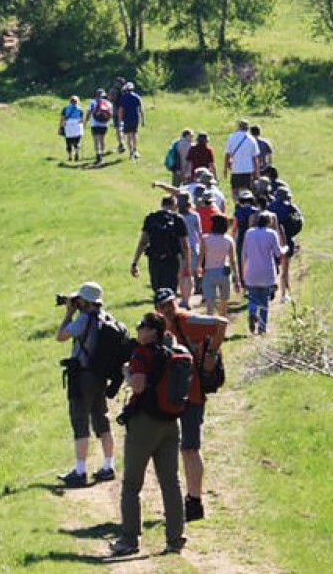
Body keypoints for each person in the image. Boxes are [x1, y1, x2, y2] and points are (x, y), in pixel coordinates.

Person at [110, 312, 188, 556]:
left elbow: (138, 385)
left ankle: (129, 540)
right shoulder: (169, 353)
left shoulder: (141, 354)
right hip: (170, 424)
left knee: (131, 485)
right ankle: (175, 538)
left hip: (145, 424)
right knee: (171, 483)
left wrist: (126, 373)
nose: (138, 330)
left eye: (141, 326)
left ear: (152, 331)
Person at [154, 289, 227, 524]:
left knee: (190, 449)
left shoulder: (187, 320)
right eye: (162, 306)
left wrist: (211, 355)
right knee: (178, 450)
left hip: (192, 395)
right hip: (172, 396)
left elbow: (221, 323)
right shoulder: (159, 328)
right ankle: (184, 500)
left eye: (170, 304)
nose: (167, 309)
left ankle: (194, 502)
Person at [55, 281, 118, 486]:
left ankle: (80, 470)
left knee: (80, 421)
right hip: (99, 375)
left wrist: (68, 313)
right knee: (102, 421)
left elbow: (60, 336)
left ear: (85, 301)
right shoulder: (105, 317)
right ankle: (108, 466)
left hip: (82, 376)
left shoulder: (83, 319)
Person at [132, 196, 190, 298]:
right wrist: (187, 265)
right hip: (172, 259)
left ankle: (159, 306)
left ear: (162, 205)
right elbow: (185, 245)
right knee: (170, 290)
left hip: (154, 259)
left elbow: (143, 242)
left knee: (157, 289)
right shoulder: (178, 219)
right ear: (174, 205)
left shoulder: (151, 218)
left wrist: (135, 263)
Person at [240, 211, 285, 335]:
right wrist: (285, 249)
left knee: (252, 297)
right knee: (264, 300)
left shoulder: (249, 233)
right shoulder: (271, 234)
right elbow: (277, 253)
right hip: (266, 271)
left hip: (251, 270)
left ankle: (252, 312)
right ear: (269, 222)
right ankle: (262, 327)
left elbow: (244, 253)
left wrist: (243, 271)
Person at [268, 185, 304, 303]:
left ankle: (270, 289)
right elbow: (300, 220)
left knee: (271, 266)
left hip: (270, 240)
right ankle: (283, 294)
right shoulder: (289, 207)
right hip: (286, 240)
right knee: (285, 269)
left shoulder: (270, 207)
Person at [200, 215, 237, 317]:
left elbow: (201, 256)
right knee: (224, 302)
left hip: (209, 271)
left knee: (210, 304)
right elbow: (233, 261)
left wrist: (199, 267)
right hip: (224, 272)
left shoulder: (205, 238)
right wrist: (236, 278)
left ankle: (209, 323)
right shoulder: (229, 240)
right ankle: (222, 321)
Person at [176, 194, 201, 308]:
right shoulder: (195, 216)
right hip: (192, 246)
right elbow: (199, 232)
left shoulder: (176, 217)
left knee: (182, 274)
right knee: (189, 274)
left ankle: (184, 298)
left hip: (180, 247)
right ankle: (187, 299)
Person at [223, 120, 259, 192]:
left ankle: (236, 199)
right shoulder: (252, 139)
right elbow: (255, 158)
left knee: (235, 190)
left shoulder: (232, 137)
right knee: (247, 191)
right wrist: (256, 172)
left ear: (239, 127)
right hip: (248, 170)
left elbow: (227, 155)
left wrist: (225, 169)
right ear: (248, 128)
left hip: (236, 169)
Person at [116, 81, 144, 159]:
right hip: (135, 118)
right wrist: (143, 120)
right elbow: (141, 109)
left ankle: (131, 152)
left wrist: (120, 120)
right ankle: (135, 150)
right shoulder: (137, 97)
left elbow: (121, 110)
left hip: (126, 119)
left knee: (129, 135)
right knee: (134, 134)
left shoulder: (123, 98)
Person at [85, 89, 113, 166]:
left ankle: (98, 155)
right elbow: (111, 114)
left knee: (96, 140)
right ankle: (102, 154)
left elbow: (88, 113)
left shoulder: (92, 102)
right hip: (104, 124)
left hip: (94, 124)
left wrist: (85, 121)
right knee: (102, 139)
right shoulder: (108, 103)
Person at [60, 96, 85, 162]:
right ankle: (76, 152)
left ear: (70, 101)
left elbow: (62, 118)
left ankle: (70, 156)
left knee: (68, 141)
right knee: (77, 141)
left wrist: (61, 127)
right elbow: (82, 120)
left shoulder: (65, 109)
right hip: (77, 125)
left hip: (68, 125)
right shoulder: (80, 109)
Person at [108, 77, 127, 154]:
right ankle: (124, 142)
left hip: (116, 111)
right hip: (126, 112)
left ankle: (121, 143)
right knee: (124, 128)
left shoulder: (113, 90)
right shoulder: (126, 91)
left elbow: (111, 100)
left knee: (118, 128)